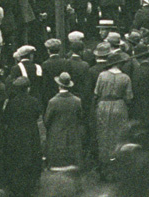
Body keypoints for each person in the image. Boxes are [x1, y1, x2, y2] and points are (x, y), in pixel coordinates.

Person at [93, 43, 133, 178]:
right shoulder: (125, 77)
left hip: (103, 106)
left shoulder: (102, 75)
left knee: (103, 135)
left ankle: (105, 168)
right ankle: (119, 166)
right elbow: (129, 97)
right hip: (119, 106)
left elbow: (96, 93)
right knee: (119, 136)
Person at [44, 72, 84, 170]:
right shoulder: (77, 101)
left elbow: (47, 120)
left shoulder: (53, 101)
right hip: (72, 131)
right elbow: (80, 117)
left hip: (57, 132)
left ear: (59, 85)